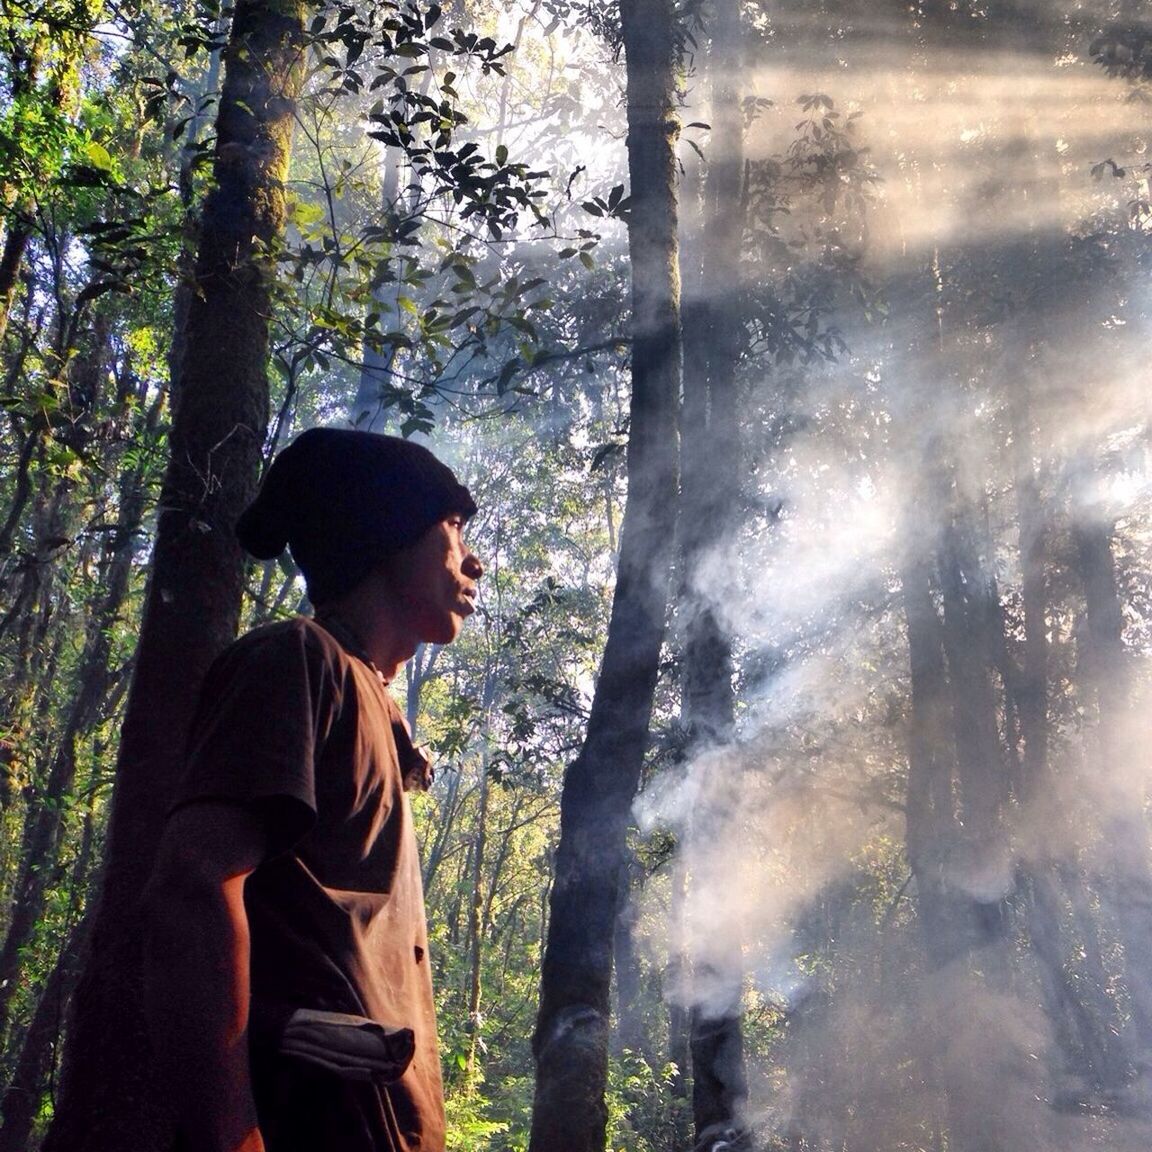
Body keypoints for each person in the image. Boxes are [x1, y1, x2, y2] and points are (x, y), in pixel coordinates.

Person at [144, 427, 483, 1152]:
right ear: (385, 535)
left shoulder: (374, 701)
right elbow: (194, 889)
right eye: (452, 528)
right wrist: (230, 1138)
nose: (473, 559)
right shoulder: (297, 660)